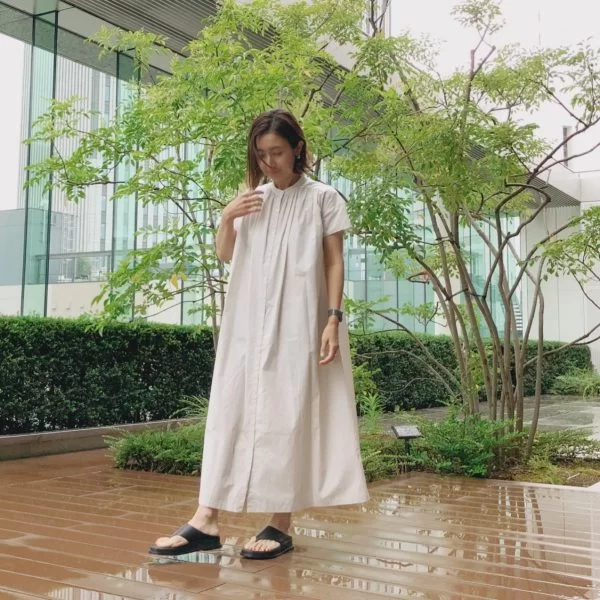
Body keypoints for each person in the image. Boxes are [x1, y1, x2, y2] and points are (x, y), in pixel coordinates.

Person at [149, 109, 368, 561]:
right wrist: (227, 216)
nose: (269, 162)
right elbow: (226, 254)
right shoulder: (252, 199)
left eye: (278, 152)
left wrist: (333, 318)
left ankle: (279, 522)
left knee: (287, 411)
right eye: (262, 154)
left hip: (299, 322)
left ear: (298, 150)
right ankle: (206, 518)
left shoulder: (323, 198)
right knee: (231, 408)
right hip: (246, 323)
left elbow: (334, 262)